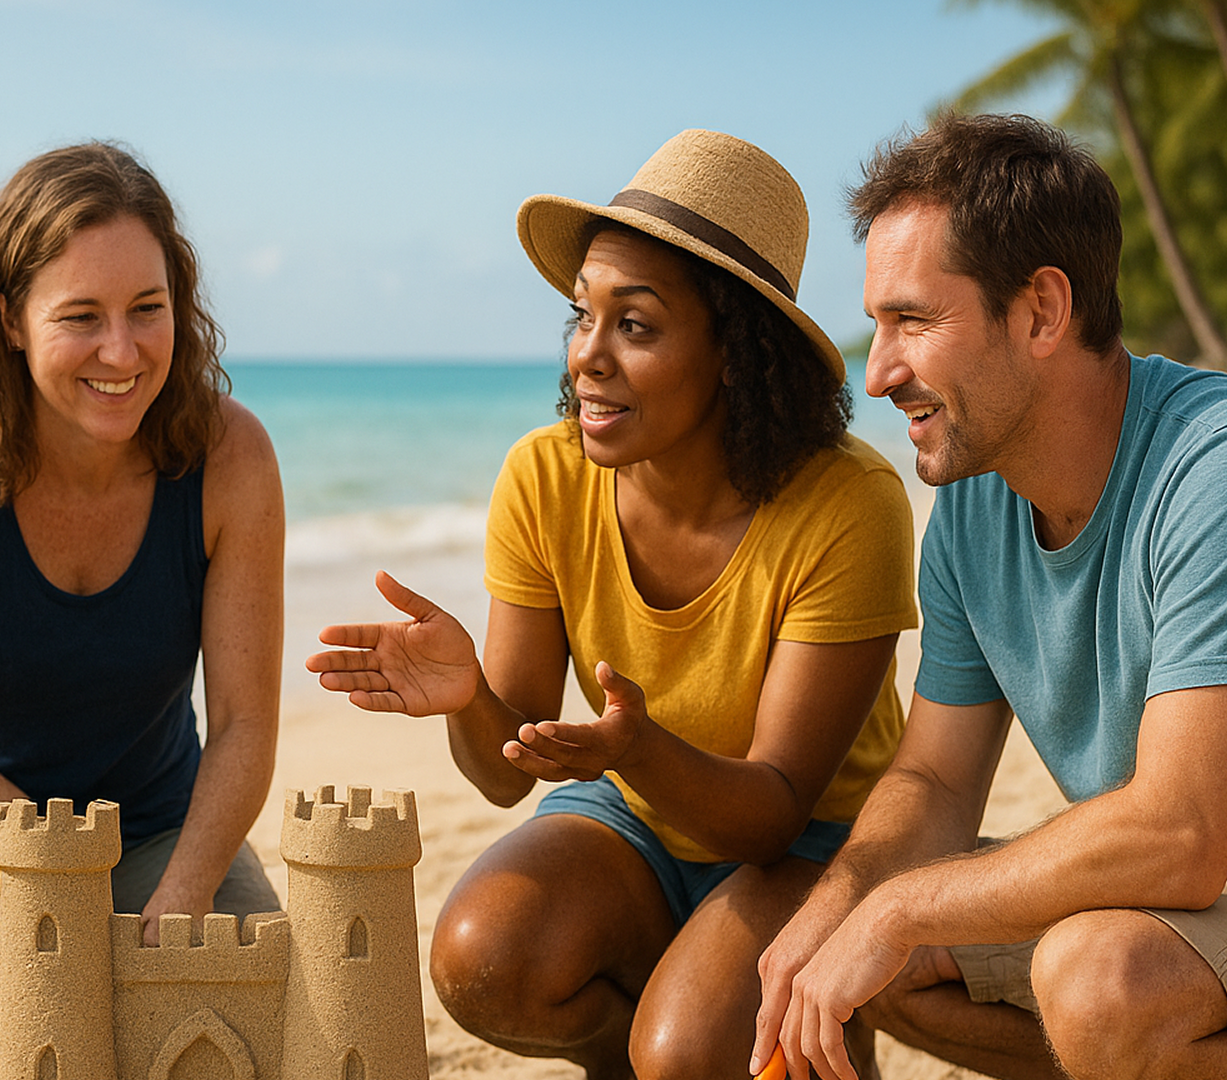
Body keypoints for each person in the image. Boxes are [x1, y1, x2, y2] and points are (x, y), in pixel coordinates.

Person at [752, 113, 1227, 1080]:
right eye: (876, 325)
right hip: (1188, 920)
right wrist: (848, 902)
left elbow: (1181, 835)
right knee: (876, 959)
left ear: (1041, 310)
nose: (877, 373)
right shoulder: (972, 510)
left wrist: (903, 907)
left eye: (912, 320)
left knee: (1100, 978)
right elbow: (936, 783)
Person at [306, 130, 917, 1079]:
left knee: (687, 1054)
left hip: (812, 842)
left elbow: (771, 812)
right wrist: (471, 700)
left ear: (733, 352)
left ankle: (805, 1030)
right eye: (581, 316)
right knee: (483, 957)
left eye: (635, 325)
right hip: (638, 813)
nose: (588, 356)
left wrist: (635, 746)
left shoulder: (849, 505)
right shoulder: (544, 476)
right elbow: (508, 775)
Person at [0, 142, 285, 1079]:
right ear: (11, 319)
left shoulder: (230, 457)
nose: (122, 353)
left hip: (164, 829)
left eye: (148, 310)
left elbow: (247, 727)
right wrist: (62, 877)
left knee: (252, 1054)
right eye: (80, 317)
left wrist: (181, 897)